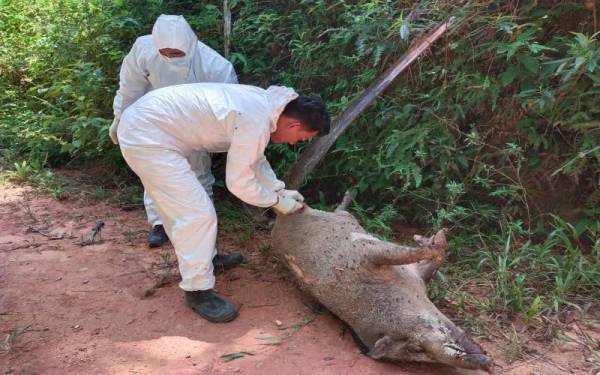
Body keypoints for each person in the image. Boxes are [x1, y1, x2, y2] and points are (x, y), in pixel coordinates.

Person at [117, 83, 330, 322]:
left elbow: (254, 160)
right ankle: (197, 291)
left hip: (151, 126)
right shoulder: (254, 119)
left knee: (183, 208)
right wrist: (276, 201)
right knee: (196, 215)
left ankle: (205, 260)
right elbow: (239, 183)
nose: (293, 143)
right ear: (293, 124)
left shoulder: (263, 107)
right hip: (146, 136)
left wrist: (281, 191)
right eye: (300, 138)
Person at [109, 14, 238, 248]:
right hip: (153, 122)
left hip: (195, 125)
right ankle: (160, 224)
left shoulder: (215, 65)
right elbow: (130, 88)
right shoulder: (143, 49)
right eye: (165, 52)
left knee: (198, 174)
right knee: (156, 174)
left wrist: (223, 140)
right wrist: (120, 117)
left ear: (189, 44)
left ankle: (201, 226)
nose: (170, 56)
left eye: (176, 53)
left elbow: (232, 106)